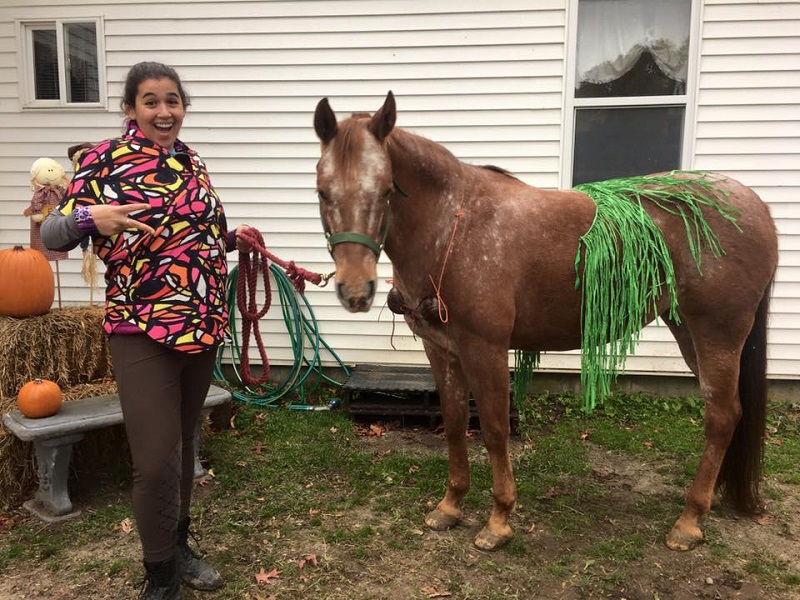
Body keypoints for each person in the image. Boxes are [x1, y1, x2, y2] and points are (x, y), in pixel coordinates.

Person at [41, 61, 251, 599]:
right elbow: (51, 237)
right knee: (155, 459)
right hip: (141, 327)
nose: (165, 111)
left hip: (203, 324)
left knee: (182, 446)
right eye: (152, 101)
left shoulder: (193, 162)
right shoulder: (101, 161)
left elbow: (194, 237)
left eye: (173, 101)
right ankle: (159, 574)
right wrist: (92, 220)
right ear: (131, 109)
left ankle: (178, 545)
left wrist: (233, 242)